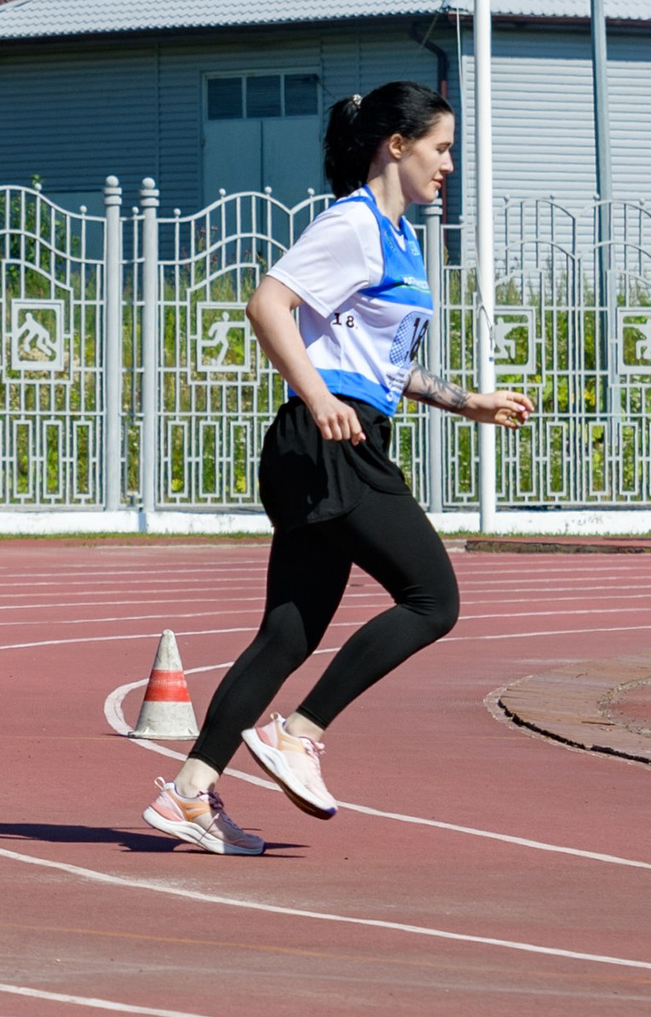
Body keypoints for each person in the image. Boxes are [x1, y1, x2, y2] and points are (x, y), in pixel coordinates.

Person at [143, 82, 533, 855]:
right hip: (328, 442)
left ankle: (189, 791)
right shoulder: (353, 224)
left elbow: (376, 361)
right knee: (432, 598)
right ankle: (297, 732)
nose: (449, 165)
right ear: (397, 145)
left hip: (341, 434)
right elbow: (268, 304)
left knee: (286, 636)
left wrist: (466, 402)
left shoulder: (397, 238)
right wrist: (317, 398)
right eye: (441, 148)